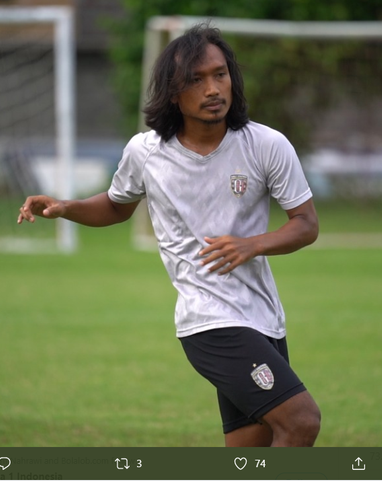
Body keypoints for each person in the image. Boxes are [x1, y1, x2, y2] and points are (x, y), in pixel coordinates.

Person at [17, 23, 321, 447]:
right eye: (196, 80)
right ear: (173, 92)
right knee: (301, 420)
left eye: (220, 74)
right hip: (208, 321)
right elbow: (117, 206)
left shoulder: (266, 145)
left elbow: (306, 224)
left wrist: (253, 244)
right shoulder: (146, 152)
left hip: (263, 317)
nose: (213, 88)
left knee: (252, 447)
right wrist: (66, 207)